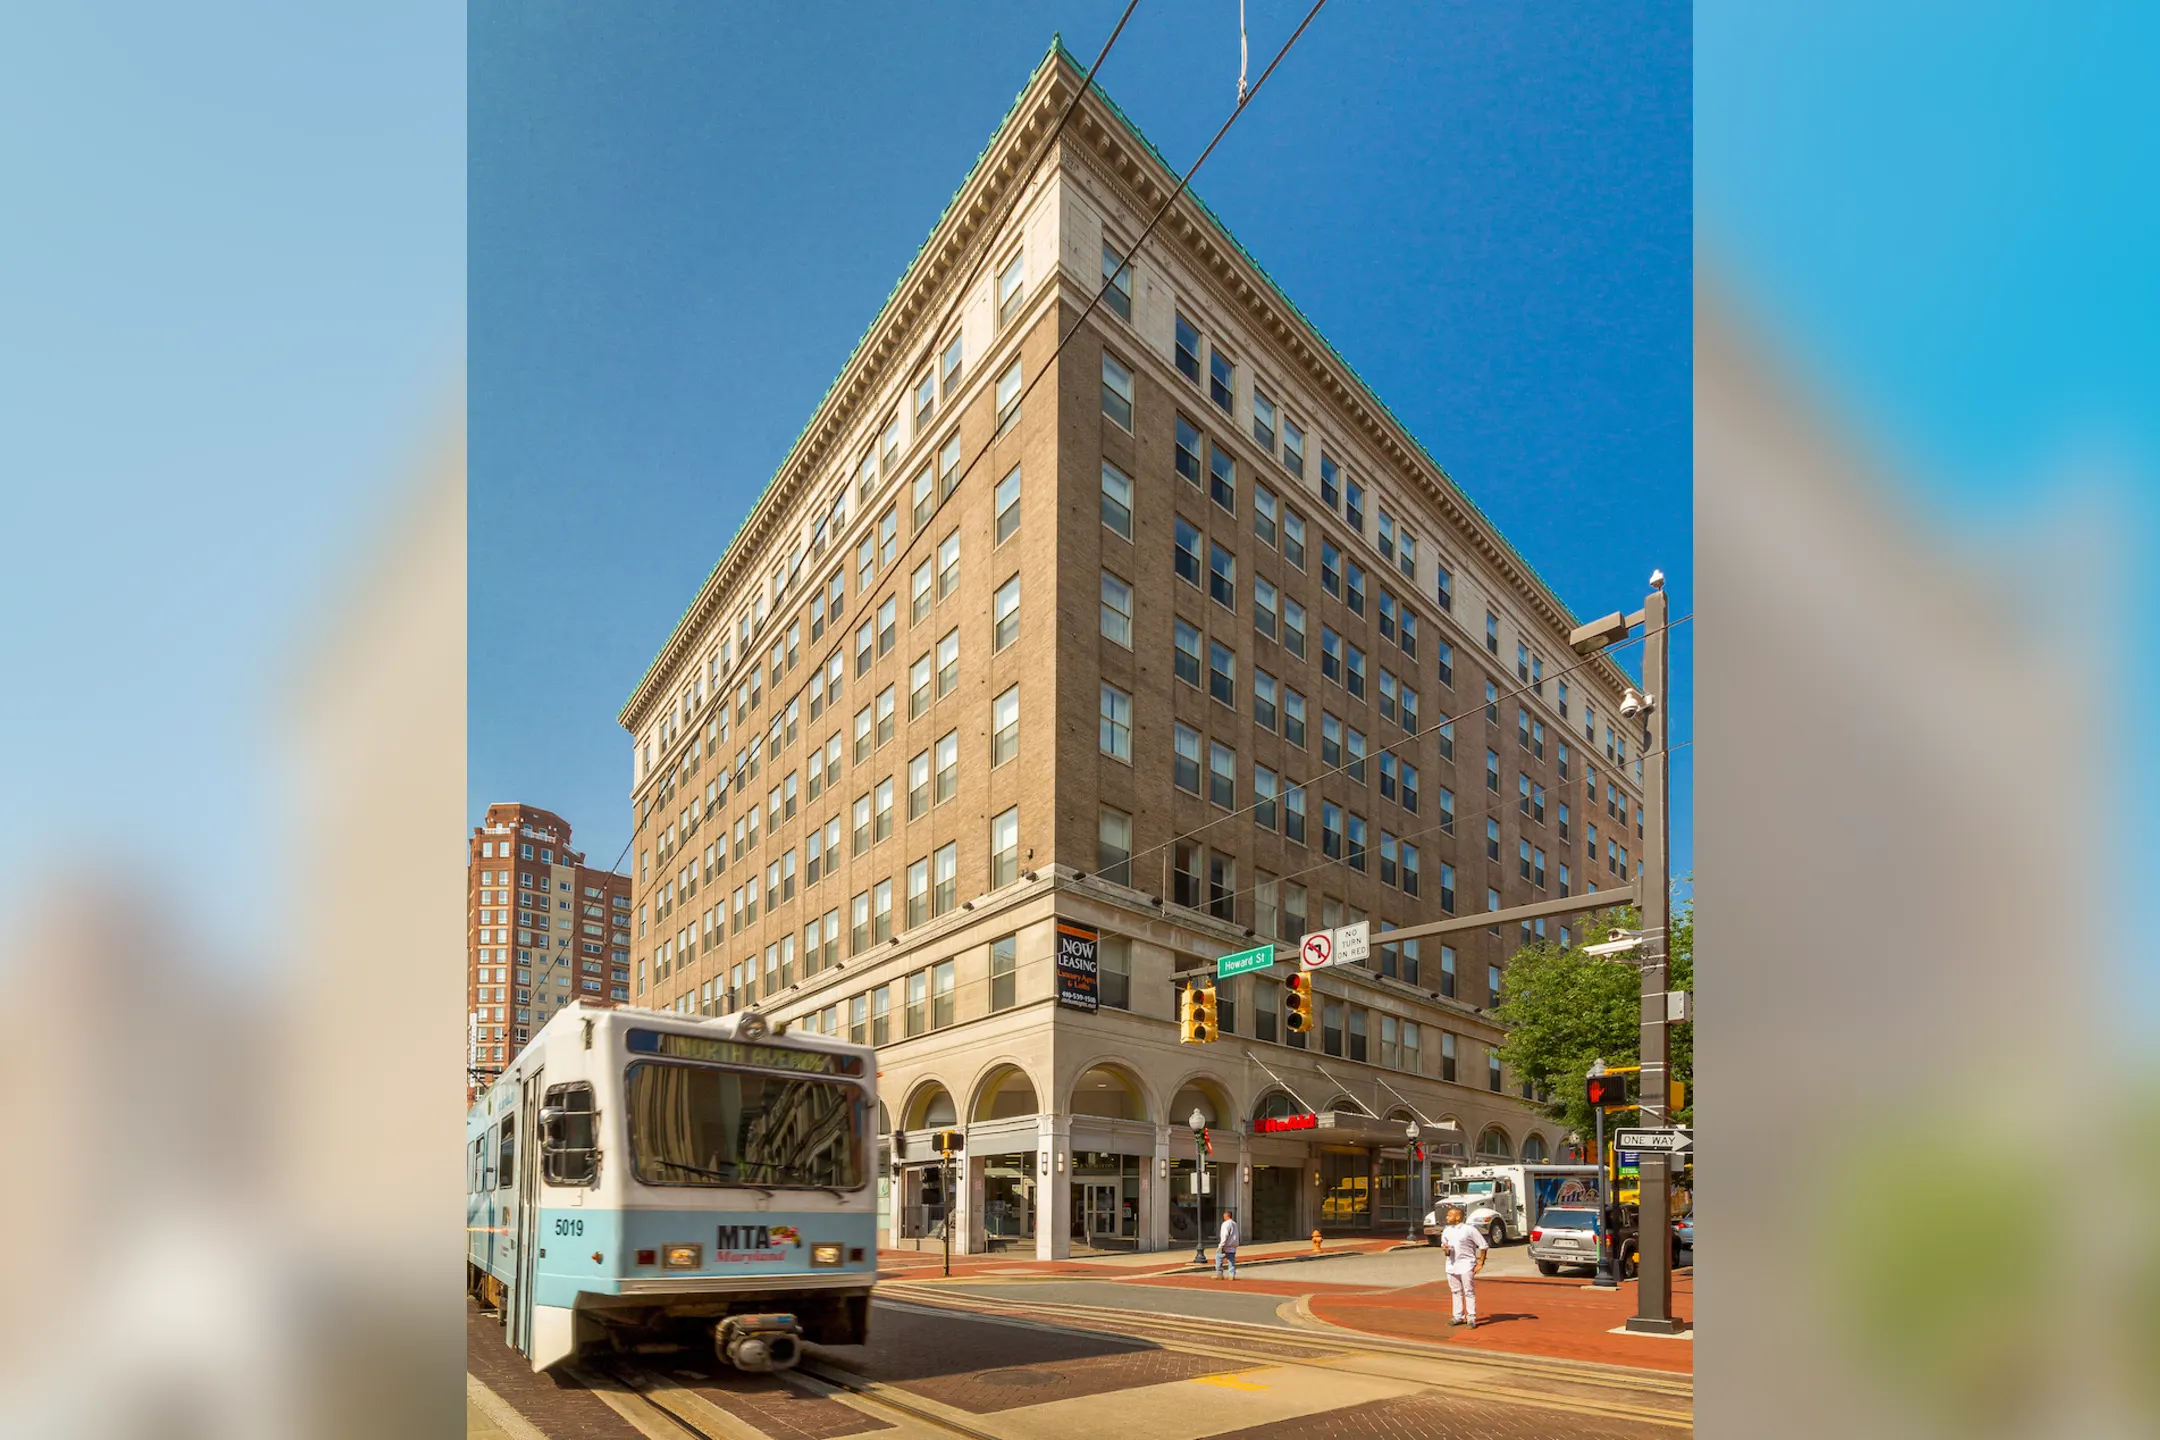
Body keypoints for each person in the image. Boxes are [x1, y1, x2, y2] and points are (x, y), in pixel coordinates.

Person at [1437, 1205, 1488, 1328]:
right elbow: (1446, 1250)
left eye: (1450, 1215)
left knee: (1469, 1291)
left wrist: (1480, 1263)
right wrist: (1445, 1250)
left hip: (1466, 1265)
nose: (1447, 1217)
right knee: (1455, 1291)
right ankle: (1458, 1316)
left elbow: (1483, 1246)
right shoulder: (1447, 1231)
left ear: (1458, 1217)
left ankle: (1471, 1318)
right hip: (1451, 1265)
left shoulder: (1469, 1230)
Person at [1214, 1208, 1240, 1280]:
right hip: (1233, 1246)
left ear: (1226, 1216)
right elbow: (1236, 1235)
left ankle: (1219, 1274)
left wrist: (1222, 1245)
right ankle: (1231, 1275)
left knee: (1218, 1259)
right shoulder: (1234, 1224)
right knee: (1231, 1261)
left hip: (1226, 1245)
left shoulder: (1225, 1224)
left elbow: (1224, 1235)